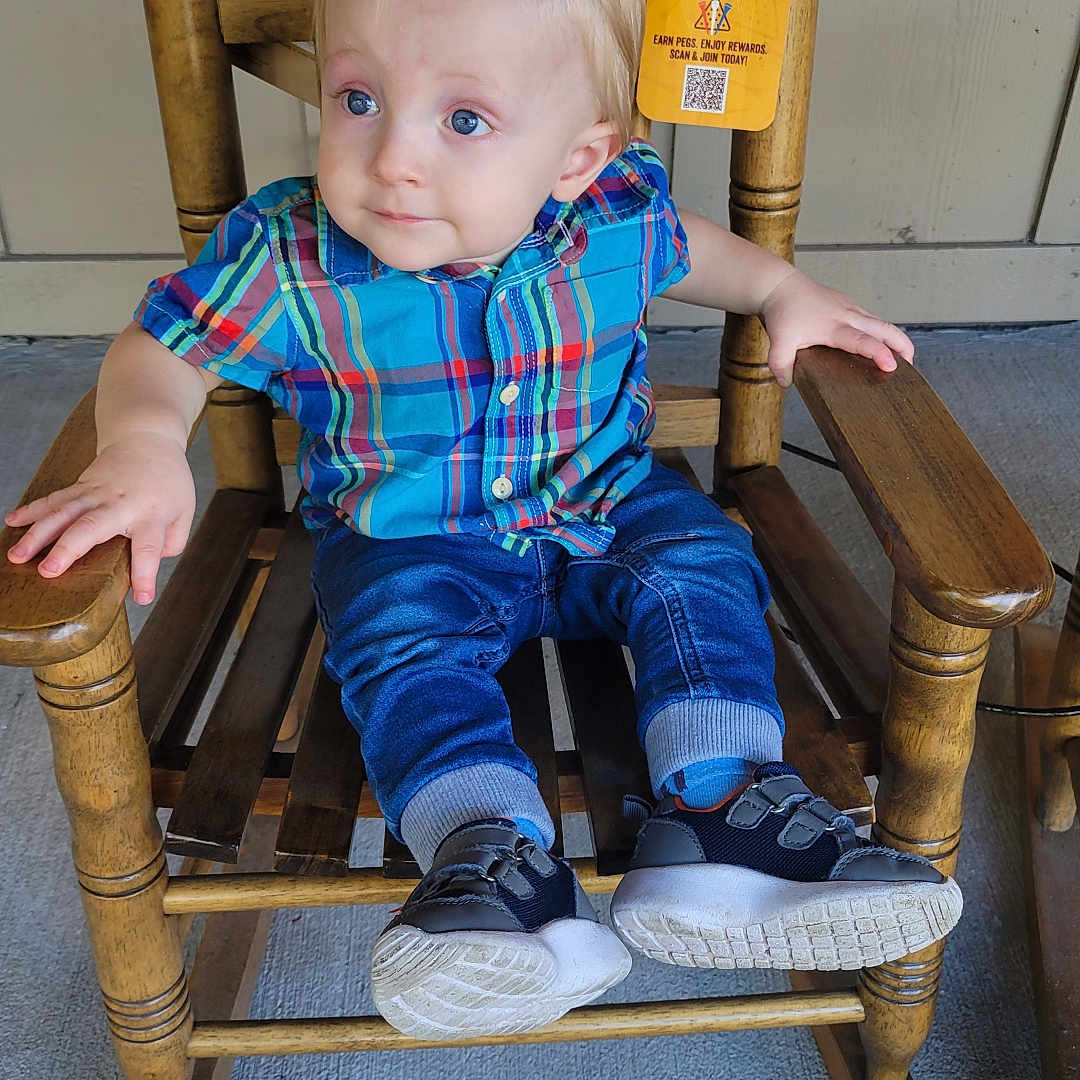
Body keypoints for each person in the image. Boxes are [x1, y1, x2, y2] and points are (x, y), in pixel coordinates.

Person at [5, 0, 961, 1042]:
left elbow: (683, 246)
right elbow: (168, 345)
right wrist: (141, 444)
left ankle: (721, 810)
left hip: (606, 504)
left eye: (463, 120)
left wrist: (782, 287)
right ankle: (492, 865)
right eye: (359, 100)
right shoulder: (289, 251)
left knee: (701, 558)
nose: (394, 160)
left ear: (576, 157)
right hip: (409, 537)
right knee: (395, 637)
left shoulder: (611, 209)